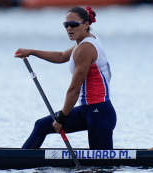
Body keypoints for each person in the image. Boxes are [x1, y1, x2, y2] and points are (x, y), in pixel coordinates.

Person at [14, 6, 116, 150]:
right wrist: (32, 51)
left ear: (86, 25)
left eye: (73, 24)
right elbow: (61, 56)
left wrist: (62, 117)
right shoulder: (83, 42)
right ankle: (20, 161)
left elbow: (74, 89)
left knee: (101, 165)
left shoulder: (85, 48)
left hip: (99, 112)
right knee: (41, 126)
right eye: (66, 25)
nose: (69, 28)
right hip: (86, 110)